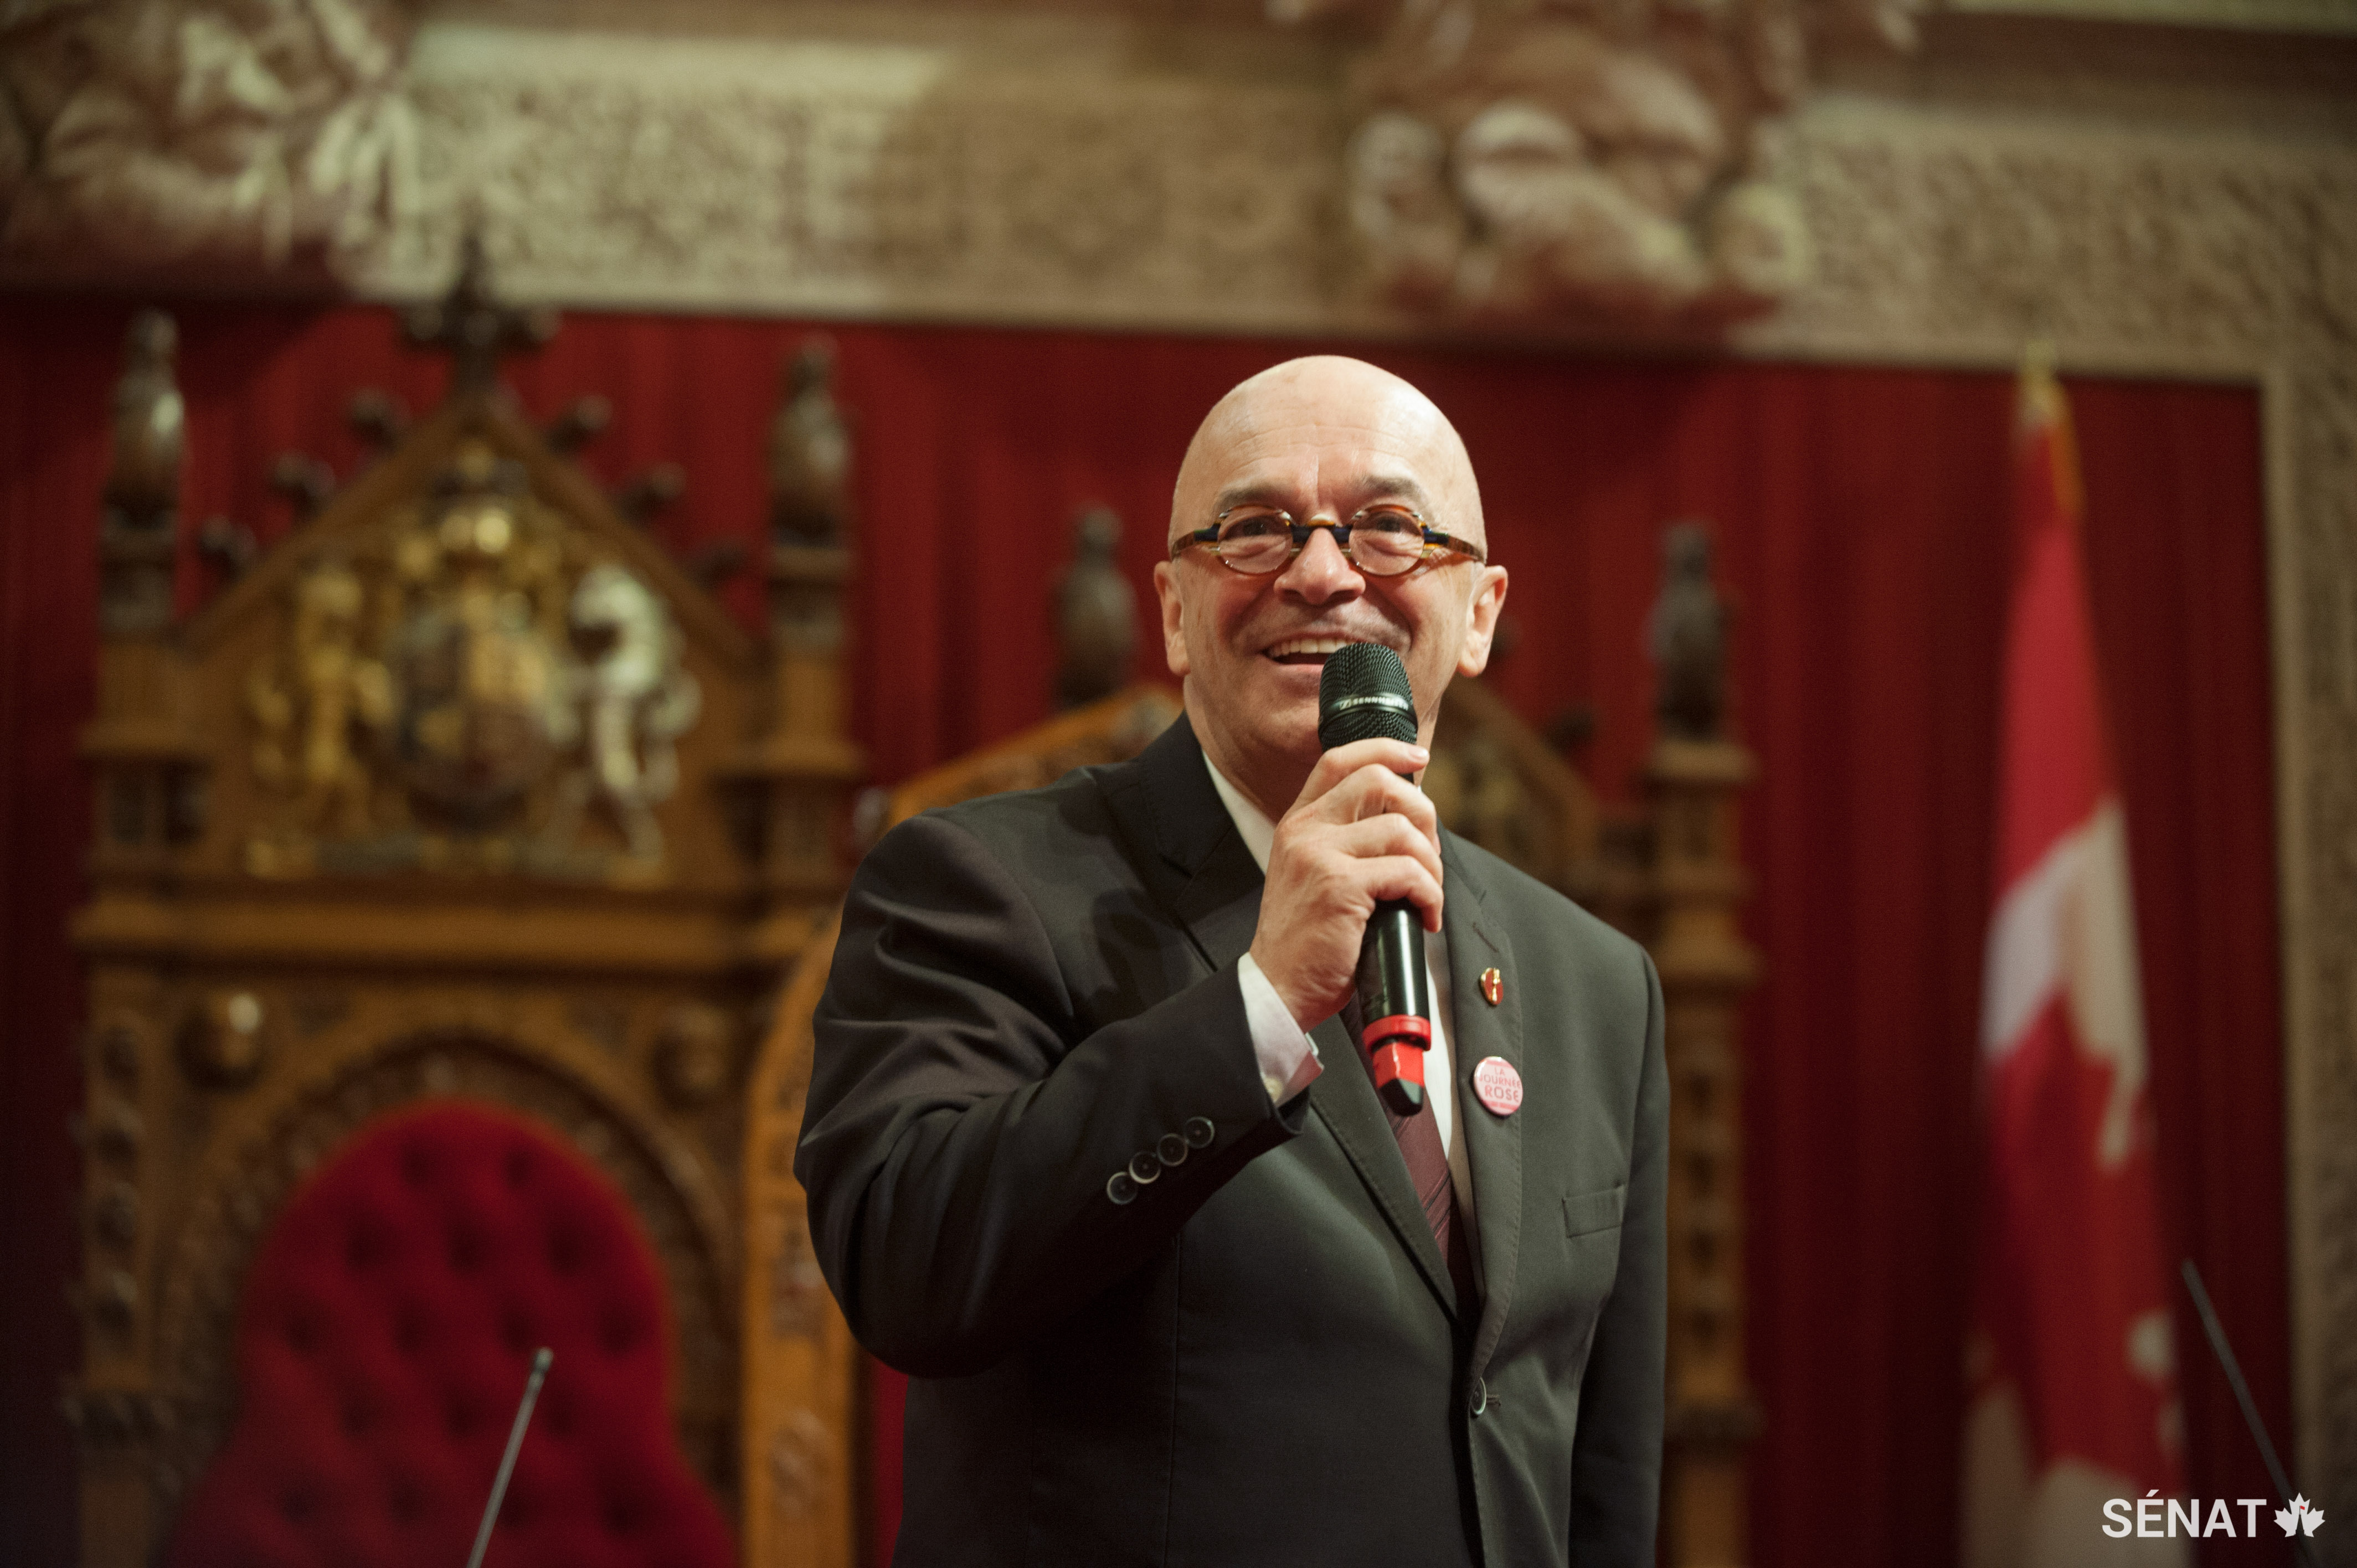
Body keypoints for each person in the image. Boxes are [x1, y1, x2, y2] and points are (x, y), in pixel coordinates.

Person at [796, 357, 1666, 1566]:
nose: (1321, 573)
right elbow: (910, 1269)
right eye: (1254, 530)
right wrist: (1259, 1005)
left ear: (1480, 613)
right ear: (1169, 606)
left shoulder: (1594, 982)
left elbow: (1602, 1466)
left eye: (1389, 529)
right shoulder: (980, 886)